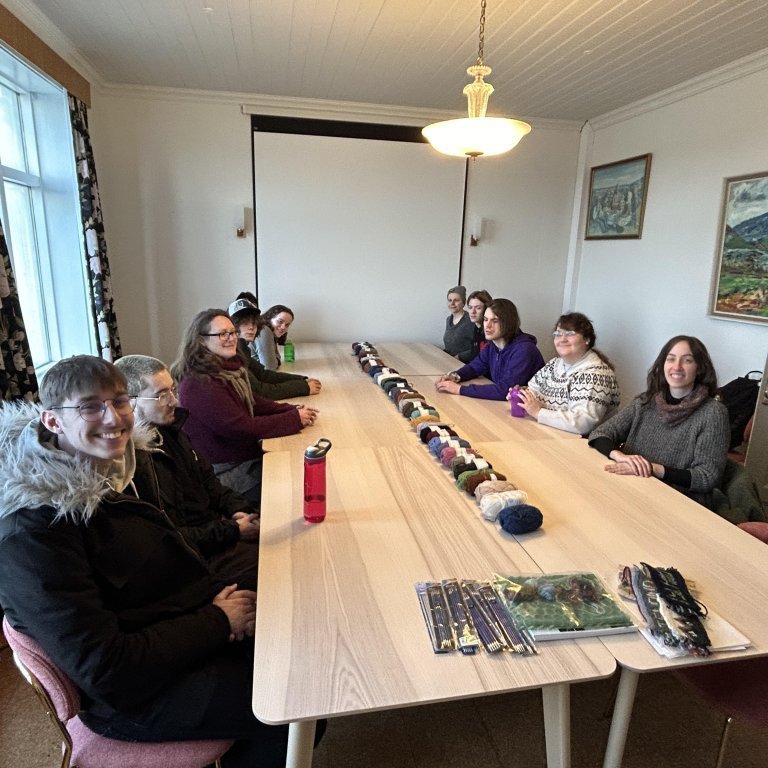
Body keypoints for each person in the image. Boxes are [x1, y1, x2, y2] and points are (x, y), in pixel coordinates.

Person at [0, 355, 304, 767]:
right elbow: (108, 670)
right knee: (289, 706)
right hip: (131, 698)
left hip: (169, 635)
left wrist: (220, 601)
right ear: (52, 421)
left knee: (293, 650)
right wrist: (217, 621)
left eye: (120, 400)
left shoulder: (121, 468)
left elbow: (162, 568)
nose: (113, 417)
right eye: (90, 406)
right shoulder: (33, 532)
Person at [115, 354, 260, 590]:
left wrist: (240, 511)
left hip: (214, 536)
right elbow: (171, 538)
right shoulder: (133, 464)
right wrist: (233, 531)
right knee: (276, 566)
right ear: (129, 403)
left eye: (173, 390)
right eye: (162, 394)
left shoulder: (172, 433)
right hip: (193, 562)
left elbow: (212, 485)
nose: (174, 401)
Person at [171, 309, 317, 501]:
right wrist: (292, 419)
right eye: (222, 334)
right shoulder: (199, 383)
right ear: (200, 340)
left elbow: (253, 402)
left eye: (232, 332)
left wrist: (290, 409)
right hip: (225, 470)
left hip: (242, 456)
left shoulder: (226, 367)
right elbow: (239, 427)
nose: (231, 338)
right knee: (295, 486)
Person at [588, 335, 730, 509]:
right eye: (671, 359)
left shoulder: (713, 413)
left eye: (687, 361)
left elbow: (707, 477)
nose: (677, 367)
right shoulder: (645, 402)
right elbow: (600, 434)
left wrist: (650, 468)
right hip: (633, 489)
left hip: (680, 504)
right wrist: (620, 457)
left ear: (699, 368)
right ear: (663, 365)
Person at [512, 312, 621, 435]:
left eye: (570, 334)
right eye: (558, 334)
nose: (562, 339)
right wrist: (520, 395)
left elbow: (583, 424)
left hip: (582, 445)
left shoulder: (596, 374)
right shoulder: (555, 364)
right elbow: (532, 390)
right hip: (550, 434)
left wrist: (538, 412)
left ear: (587, 339)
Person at [435, 298, 544, 400]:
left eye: (495, 321)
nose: (488, 325)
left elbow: (505, 390)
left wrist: (459, 389)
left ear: (508, 323)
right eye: (486, 319)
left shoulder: (524, 350)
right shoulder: (493, 345)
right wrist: (455, 376)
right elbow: (474, 367)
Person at [228, 296, 321, 399]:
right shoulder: (231, 354)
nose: (251, 327)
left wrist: (302, 379)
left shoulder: (241, 349)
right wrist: (303, 387)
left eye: (254, 322)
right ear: (231, 325)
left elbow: (263, 374)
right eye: (245, 322)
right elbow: (261, 391)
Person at [253, 304, 295, 370]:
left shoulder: (271, 332)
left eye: (287, 325)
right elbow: (270, 367)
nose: (283, 327)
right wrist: (276, 360)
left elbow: (277, 357)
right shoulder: (264, 330)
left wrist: (275, 359)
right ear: (269, 318)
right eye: (280, 321)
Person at [442, 285, 475, 362]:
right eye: (449, 300)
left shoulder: (470, 321)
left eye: (456, 300)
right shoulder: (448, 320)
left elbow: (477, 348)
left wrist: (459, 357)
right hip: (450, 362)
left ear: (463, 302)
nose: (452, 303)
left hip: (465, 365)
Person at [467, 289, 493, 361]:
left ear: (486, 309)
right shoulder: (477, 327)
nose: (473, 312)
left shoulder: (490, 331)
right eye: (470, 307)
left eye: (478, 308)